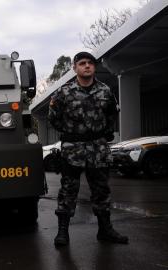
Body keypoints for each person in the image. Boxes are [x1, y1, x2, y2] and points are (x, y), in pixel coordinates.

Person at [48, 51, 129, 246]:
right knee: (68, 190)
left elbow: (111, 116)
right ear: (74, 67)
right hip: (72, 149)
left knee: (101, 190)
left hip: (98, 149)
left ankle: (105, 230)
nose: (87, 66)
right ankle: (62, 232)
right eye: (82, 63)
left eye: (90, 63)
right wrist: (72, 134)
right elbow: (53, 118)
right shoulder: (64, 92)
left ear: (94, 67)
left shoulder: (105, 91)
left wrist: (101, 134)